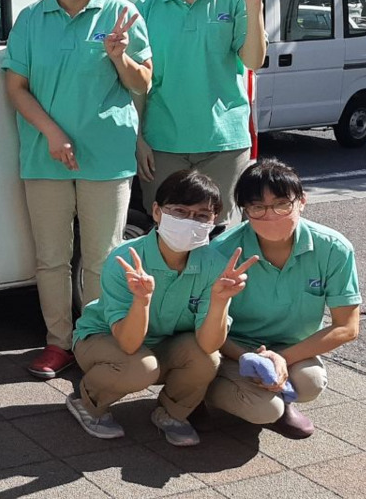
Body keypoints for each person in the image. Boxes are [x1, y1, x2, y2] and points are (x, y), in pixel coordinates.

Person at [2, 0, 153, 380]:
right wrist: (51, 132)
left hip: (105, 156)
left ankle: (93, 339)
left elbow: (143, 82)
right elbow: (16, 85)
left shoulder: (122, 13)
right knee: (51, 257)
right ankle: (57, 342)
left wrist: (119, 55)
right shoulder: (31, 18)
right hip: (44, 155)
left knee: (102, 256)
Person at [67, 171, 254, 446]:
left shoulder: (214, 265)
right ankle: (87, 401)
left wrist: (219, 301)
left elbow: (209, 343)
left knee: (207, 359)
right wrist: (142, 300)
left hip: (163, 342)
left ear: (214, 220)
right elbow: (129, 344)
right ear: (156, 211)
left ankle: (171, 413)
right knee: (140, 366)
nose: (190, 221)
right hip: (104, 340)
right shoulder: (126, 259)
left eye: (202, 215)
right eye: (179, 211)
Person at [135, 0, 282, 225]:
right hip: (162, 142)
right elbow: (137, 81)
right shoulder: (144, 8)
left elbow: (253, 60)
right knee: (167, 231)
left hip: (223, 143)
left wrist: (255, 3)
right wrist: (138, 139)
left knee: (217, 234)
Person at [206, 159, 362, 438]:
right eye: (257, 207)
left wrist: (279, 358)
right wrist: (248, 357)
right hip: (232, 348)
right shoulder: (222, 250)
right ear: (245, 211)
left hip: (291, 348)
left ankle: (278, 395)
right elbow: (203, 323)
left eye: (282, 204)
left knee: (312, 382)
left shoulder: (333, 248)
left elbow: (347, 327)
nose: (271, 216)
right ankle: (200, 395)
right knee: (264, 410)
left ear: (302, 202)